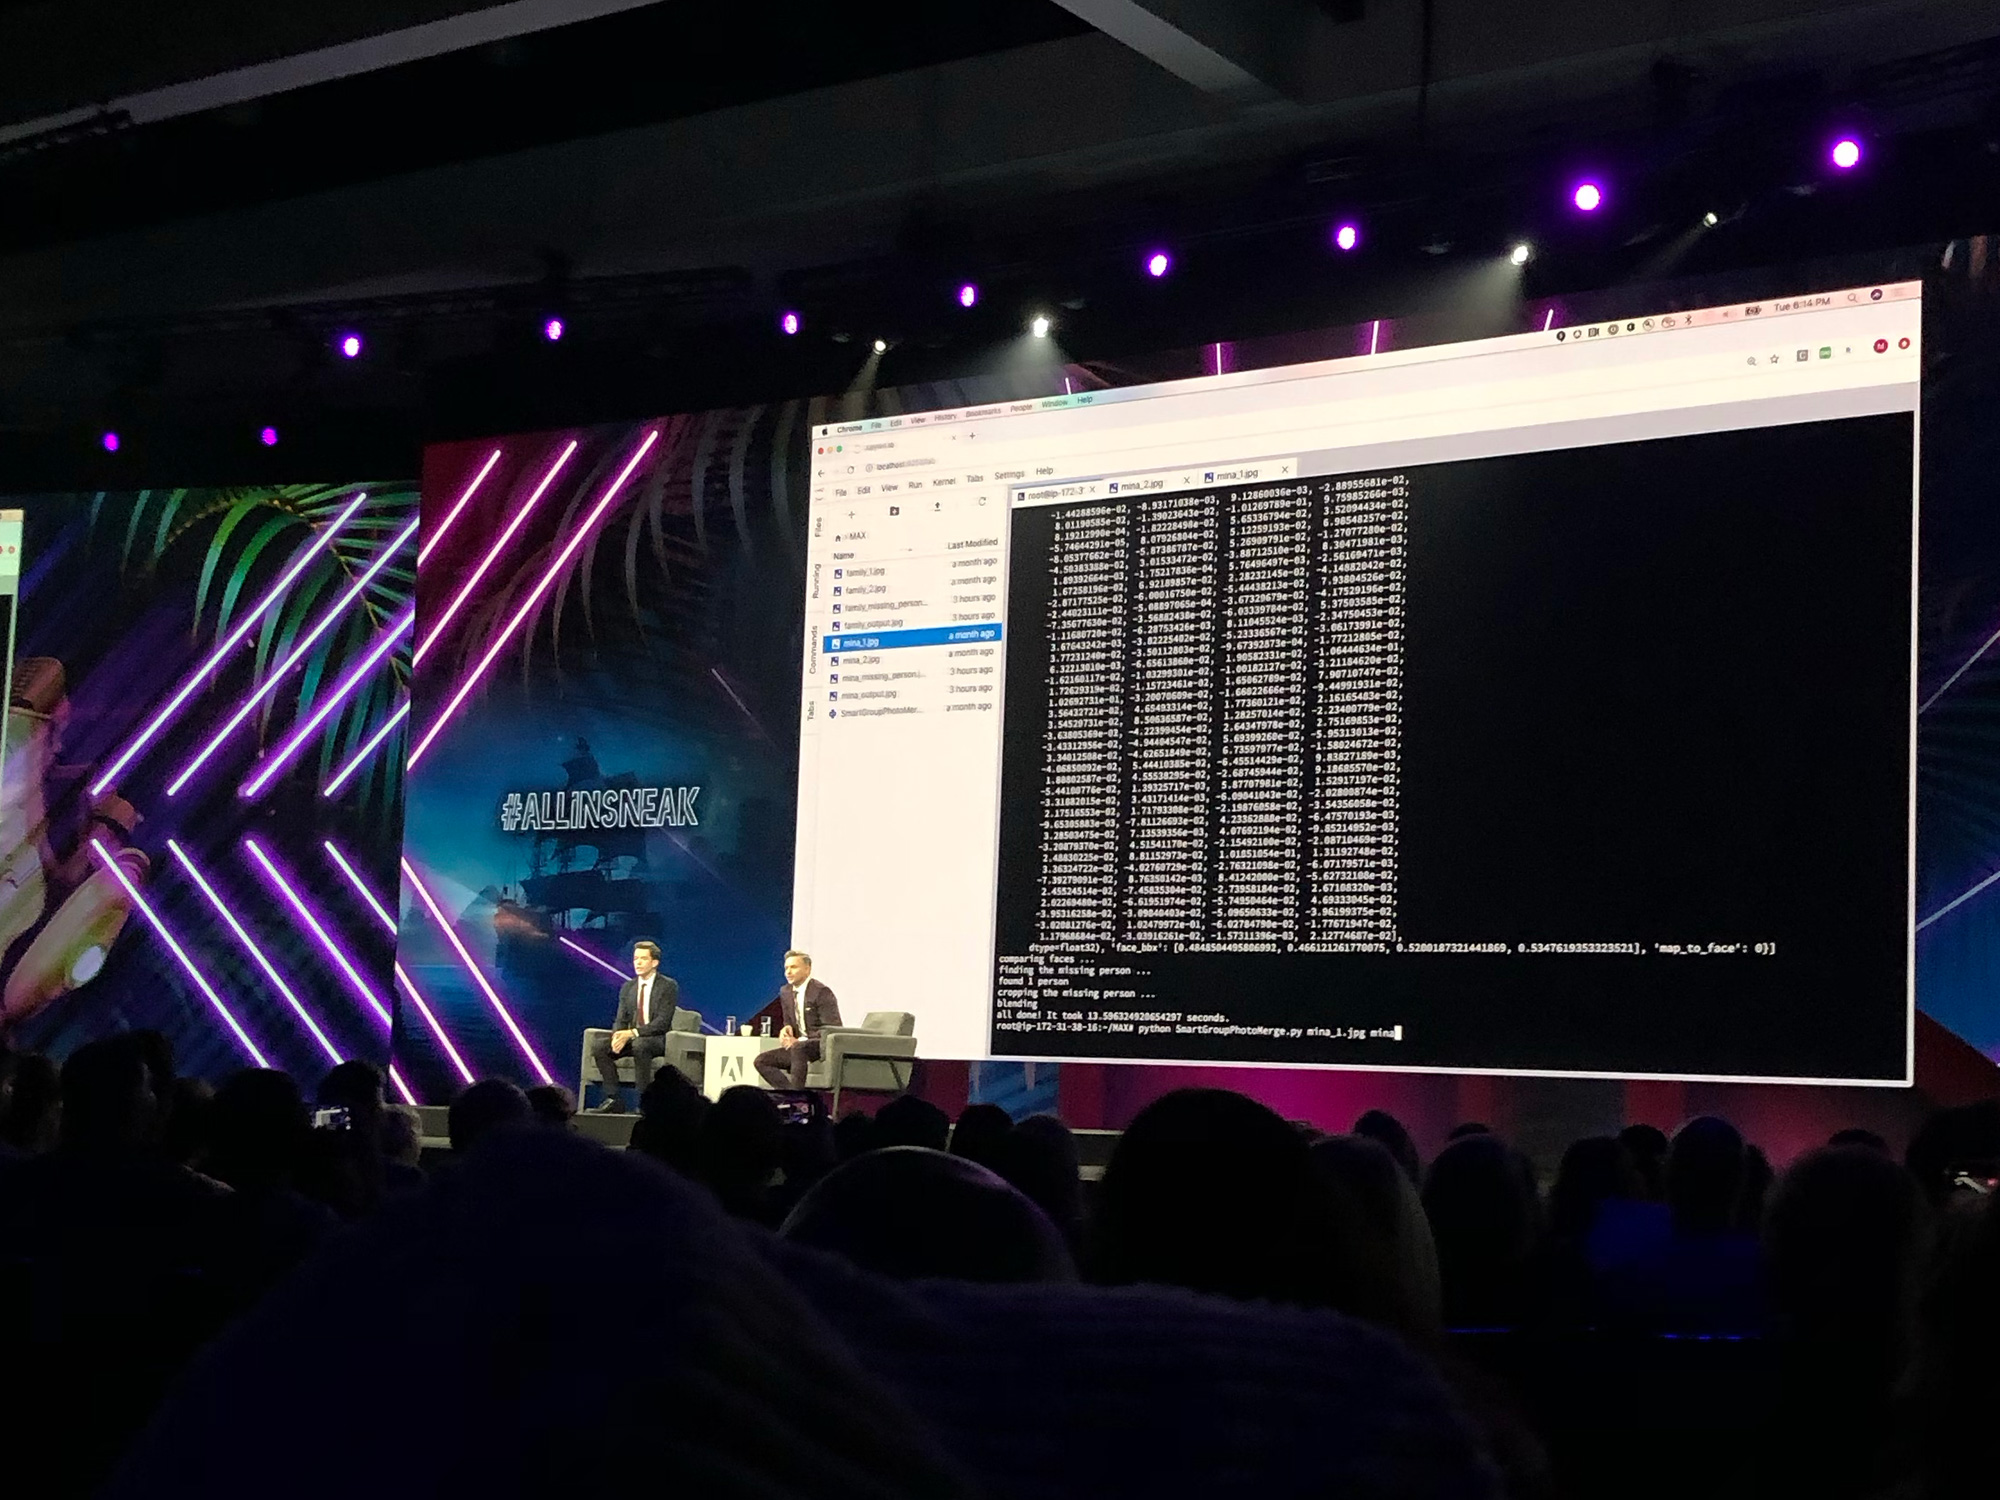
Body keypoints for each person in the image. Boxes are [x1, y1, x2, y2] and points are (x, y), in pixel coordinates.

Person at [587, 939, 679, 1113]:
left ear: (655, 962)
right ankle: (613, 1098)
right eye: (636, 958)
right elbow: (621, 1019)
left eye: (643, 959)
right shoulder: (628, 987)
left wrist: (632, 1033)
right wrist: (617, 1036)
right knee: (600, 1046)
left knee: (640, 1045)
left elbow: (662, 1022)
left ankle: (645, 1102)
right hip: (634, 1038)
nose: (638, 962)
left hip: (658, 1039)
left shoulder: (668, 986)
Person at [754, 949, 841, 1091]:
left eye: (793, 967)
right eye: (786, 968)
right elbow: (788, 1020)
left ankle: (796, 1095)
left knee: (798, 1047)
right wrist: (786, 1029)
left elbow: (832, 1028)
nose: (788, 972)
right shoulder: (785, 991)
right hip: (799, 1047)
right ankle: (790, 1093)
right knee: (761, 1061)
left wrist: (801, 1041)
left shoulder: (821, 992)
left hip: (819, 1045)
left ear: (807, 969)